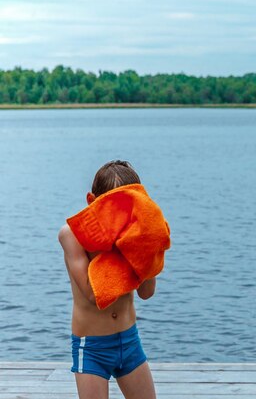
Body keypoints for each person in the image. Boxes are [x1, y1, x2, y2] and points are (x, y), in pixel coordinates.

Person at [59, 160, 166, 399]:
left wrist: (147, 243)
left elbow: (147, 292)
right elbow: (93, 292)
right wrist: (125, 249)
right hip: (93, 347)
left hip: (129, 341)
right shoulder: (72, 236)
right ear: (92, 201)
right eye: (114, 206)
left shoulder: (136, 238)